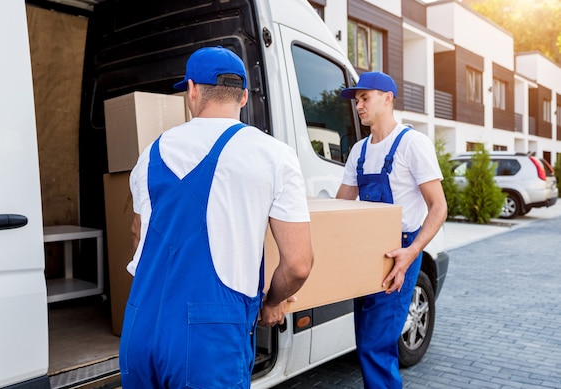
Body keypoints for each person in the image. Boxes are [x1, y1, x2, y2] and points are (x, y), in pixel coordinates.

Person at [119, 46, 314, 389]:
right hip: (210, 341)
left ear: (192, 90)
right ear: (242, 98)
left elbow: (139, 235)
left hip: (141, 327)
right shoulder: (273, 155)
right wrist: (272, 303)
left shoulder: (150, 153)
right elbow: (298, 264)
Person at [337, 71, 447, 388]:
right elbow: (341, 205)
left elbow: (438, 207)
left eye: (365, 97)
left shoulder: (413, 144)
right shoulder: (359, 151)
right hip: (366, 252)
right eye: (356, 100)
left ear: (388, 98)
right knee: (366, 340)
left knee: (377, 346)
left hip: (399, 253)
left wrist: (411, 254)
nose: (358, 105)